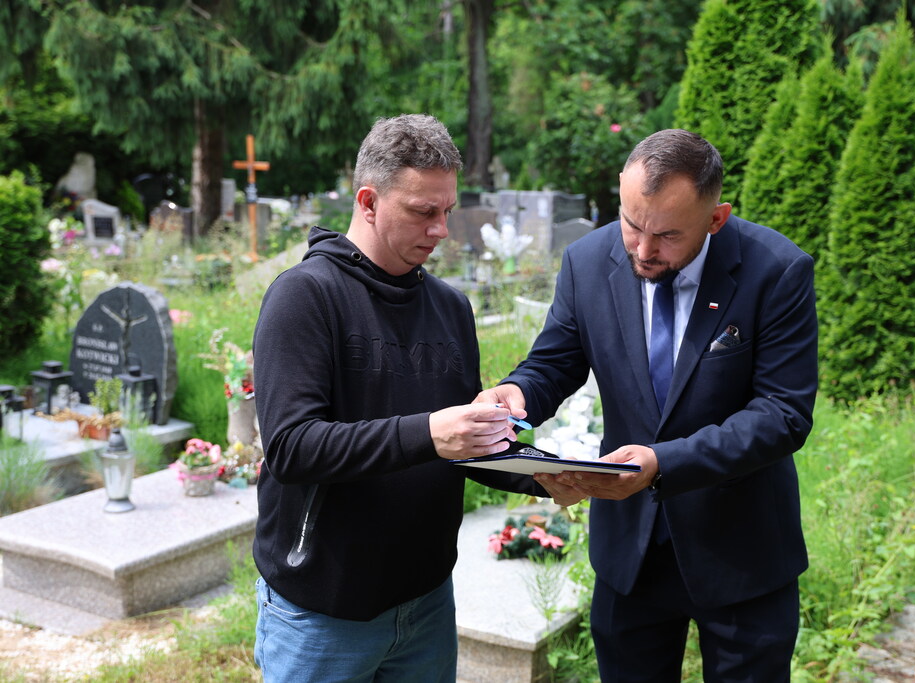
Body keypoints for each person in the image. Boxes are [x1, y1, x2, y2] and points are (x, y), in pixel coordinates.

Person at [476, 128, 818, 681]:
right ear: (620, 190)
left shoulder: (776, 270)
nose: (641, 249)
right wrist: (517, 393)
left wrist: (663, 463)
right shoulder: (587, 261)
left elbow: (783, 414)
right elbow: (554, 363)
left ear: (716, 218)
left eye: (667, 235)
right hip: (629, 556)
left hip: (743, 553)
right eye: (631, 223)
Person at [251, 114, 557, 683]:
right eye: (423, 211)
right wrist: (430, 432)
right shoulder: (304, 296)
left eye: (447, 211)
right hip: (323, 614)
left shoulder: (450, 307)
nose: (441, 230)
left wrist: (551, 475)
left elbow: (465, 443)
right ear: (368, 202)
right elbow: (292, 448)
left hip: (427, 603)